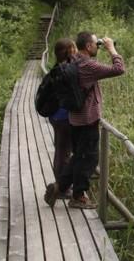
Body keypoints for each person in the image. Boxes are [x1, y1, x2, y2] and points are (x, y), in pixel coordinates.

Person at [57, 32, 125, 209]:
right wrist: (111, 49)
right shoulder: (88, 65)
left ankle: (60, 187)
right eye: (96, 44)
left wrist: (99, 44)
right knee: (89, 160)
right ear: (88, 47)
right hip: (88, 120)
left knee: (78, 156)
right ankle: (78, 197)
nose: (98, 46)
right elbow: (119, 69)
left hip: (74, 119)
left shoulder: (73, 60)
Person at [43, 37, 78, 207]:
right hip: (64, 118)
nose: (76, 51)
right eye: (74, 49)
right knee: (64, 152)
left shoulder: (57, 68)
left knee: (61, 151)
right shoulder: (67, 70)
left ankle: (62, 184)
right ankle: (62, 188)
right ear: (69, 51)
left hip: (55, 116)